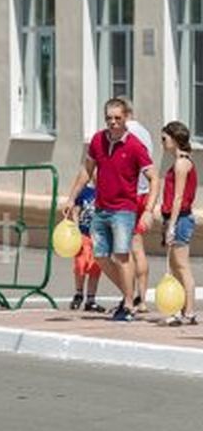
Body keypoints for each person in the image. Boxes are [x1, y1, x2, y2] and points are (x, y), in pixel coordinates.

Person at [62, 97, 160, 322]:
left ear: (126, 118)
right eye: (109, 118)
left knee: (122, 255)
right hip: (101, 208)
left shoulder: (135, 146)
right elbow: (86, 171)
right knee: (100, 256)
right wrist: (71, 198)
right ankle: (129, 295)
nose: (113, 122)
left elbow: (155, 178)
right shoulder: (97, 140)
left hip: (124, 210)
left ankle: (127, 304)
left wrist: (148, 210)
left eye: (117, 118)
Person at [160, 121, 197, 326]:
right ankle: (182, 309)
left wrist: (172, 225)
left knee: (182, 267)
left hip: (180, 218)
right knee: (175, 266)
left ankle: (189, 311)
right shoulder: (181, 162)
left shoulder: (181, 163)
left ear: (174, 139)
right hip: (177, 217)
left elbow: (178, 197)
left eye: (165, 139)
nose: (163, 143)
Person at [119, 97, 154, 313]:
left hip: (129, 195)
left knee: (126, 251)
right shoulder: (145, 132)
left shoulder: (126, 132)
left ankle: (129, 297)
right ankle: (141, 297)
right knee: (138, 248)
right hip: (144, 192)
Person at [70, 182, 105, 312]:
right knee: (80, 265)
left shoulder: (106, 191)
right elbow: (76, 211)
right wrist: (75, 228)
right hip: (83, 234)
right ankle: (78, 293)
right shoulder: (85, 191)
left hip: (98, 236)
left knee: (95, 267)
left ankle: (91, 299)